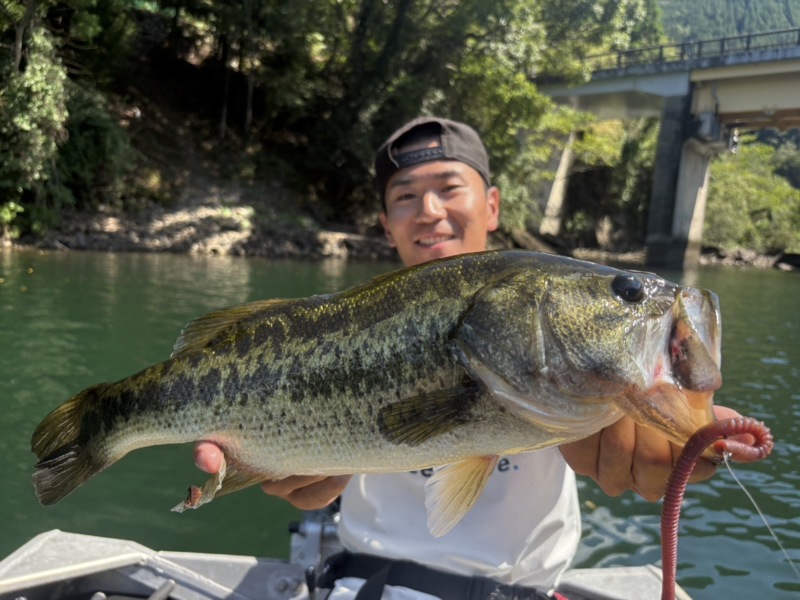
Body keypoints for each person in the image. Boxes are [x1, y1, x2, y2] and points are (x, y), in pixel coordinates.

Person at [194, 117, 740, 599]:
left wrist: (676, 437)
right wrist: (295, 474)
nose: (429, 211)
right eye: (405, 196)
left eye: (450, 188)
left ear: (493, 205)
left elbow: (668, 420)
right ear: (385, 223)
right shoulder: (341, 330)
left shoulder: (562, 353)